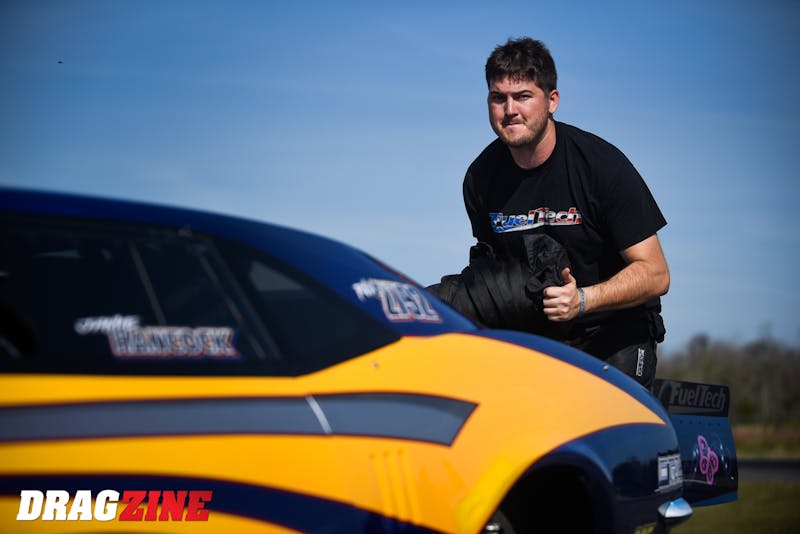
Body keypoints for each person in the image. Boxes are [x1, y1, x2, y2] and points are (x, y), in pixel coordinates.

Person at [462, 37, 669, 389]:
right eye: (498, 98)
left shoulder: (601, 166)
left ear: (552, 101)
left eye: (523, 96)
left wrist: (583, 300)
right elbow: (495, 277)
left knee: (601, 412)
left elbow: (656, 274)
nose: (509, 109)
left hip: (615, 330)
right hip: (540, 334)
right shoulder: (480, 178)